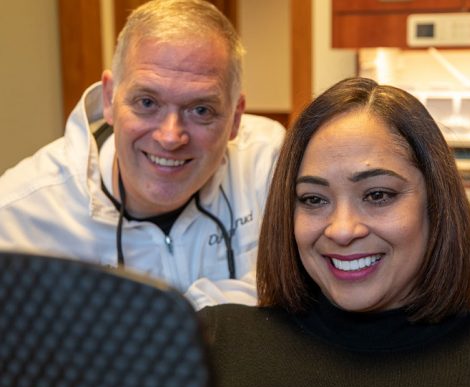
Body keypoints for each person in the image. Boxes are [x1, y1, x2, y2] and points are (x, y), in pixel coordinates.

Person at [198, 77, 470, 387]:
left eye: (378, 195)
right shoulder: (216, 342)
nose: (341, 229)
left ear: (436, 204)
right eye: (313, 199)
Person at [0, 0, 284, 309]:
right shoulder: (18, 216)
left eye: (201, 110)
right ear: (109, 98)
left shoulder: (268, 165)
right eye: (147, 102)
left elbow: (310, 289)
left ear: (235, 118)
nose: (171, 137)